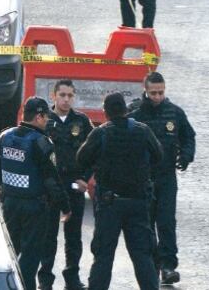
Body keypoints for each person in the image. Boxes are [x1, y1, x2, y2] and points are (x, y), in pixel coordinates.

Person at [76, 93, 163, 290]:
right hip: (138, 202)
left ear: (105, 113)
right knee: (142, 256)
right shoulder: (143, 130)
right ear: (125, 110)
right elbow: (159, 155)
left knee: (103, 256)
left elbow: (81, 159)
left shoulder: (101, 133)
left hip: (110, 204)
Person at [0, 96, 71, 290]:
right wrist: (65, 206)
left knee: (10, 251)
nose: (47, 122)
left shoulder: (5, 136)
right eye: (46, 117)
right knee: (30, 256)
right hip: (34, 208)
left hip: (10, 204)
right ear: (38, 117)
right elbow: (52, 180)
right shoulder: (42, 142)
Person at [129, 73, 196, 286]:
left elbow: (189, 137)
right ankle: (152, 266)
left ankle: (168, 266)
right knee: (146, 224)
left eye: (161, 92)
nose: (157, 96)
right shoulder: (135, 114)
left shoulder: (174, 113)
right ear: (145, 90)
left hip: (167, 177)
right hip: (144, 179)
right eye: (153, 93)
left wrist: (186, 156)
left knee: (166, 222)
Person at [40, 80, 94, 290]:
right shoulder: (44, 119)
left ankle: (72, 278)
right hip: (51, 187)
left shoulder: (81, 121)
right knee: (48, 235)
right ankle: (45, 279)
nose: (66, 99)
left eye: (70, 95)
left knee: (74, 237)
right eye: (62, 95)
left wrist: (86, 178)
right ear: (54, 96)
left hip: (73, 186)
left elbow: (94, 152)